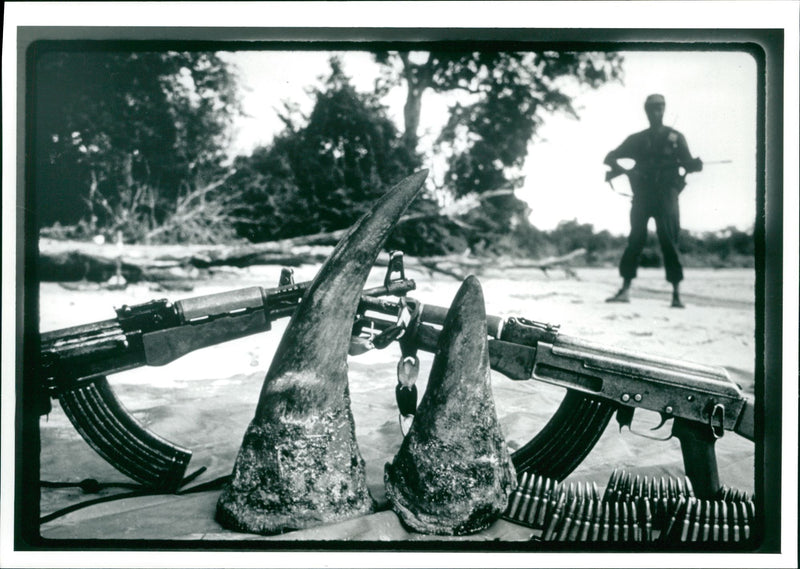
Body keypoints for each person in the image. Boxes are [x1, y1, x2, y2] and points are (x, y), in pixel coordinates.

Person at [604, 94, 703, 308]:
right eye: (651, 109)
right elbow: (609, 157)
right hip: (643, 195)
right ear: (646, 111)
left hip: (667, 195)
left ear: (664, 110)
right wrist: (628, 172)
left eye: (659, 108)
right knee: (635, 240)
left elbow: (688, 163)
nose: (655, 112)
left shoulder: (675, 137)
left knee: (669, 241)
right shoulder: (637, 139)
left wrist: (695, 164)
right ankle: (625, 290)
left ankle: (676, 295)